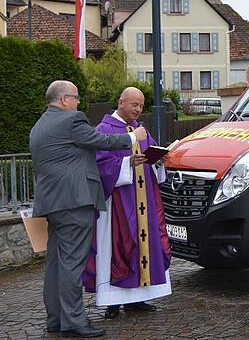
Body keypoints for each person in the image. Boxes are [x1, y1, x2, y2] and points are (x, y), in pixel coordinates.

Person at [29, 81, 147, 338]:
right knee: (72, 264)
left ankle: (56, 319)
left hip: (52, 204)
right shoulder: (71, 121)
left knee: (56, 265)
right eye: (75, 98)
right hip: (75, 202)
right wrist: (132, 137)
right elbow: (100, 140)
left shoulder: (39, 125)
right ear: (63, 101)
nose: (79, 102)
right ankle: (73, 322)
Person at [82, 87, 172, 319]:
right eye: (134, 104)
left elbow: (150, 159)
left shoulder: (140, 130)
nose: (138, 109)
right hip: (118, 205)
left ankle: (137, 299)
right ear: (121, 102)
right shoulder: (104, 130)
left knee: (144, 248)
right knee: (118, 249)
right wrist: (126, 164)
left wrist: (159, 161)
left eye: (141, 105)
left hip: (144, 201)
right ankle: (113, 302)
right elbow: (98, 167)